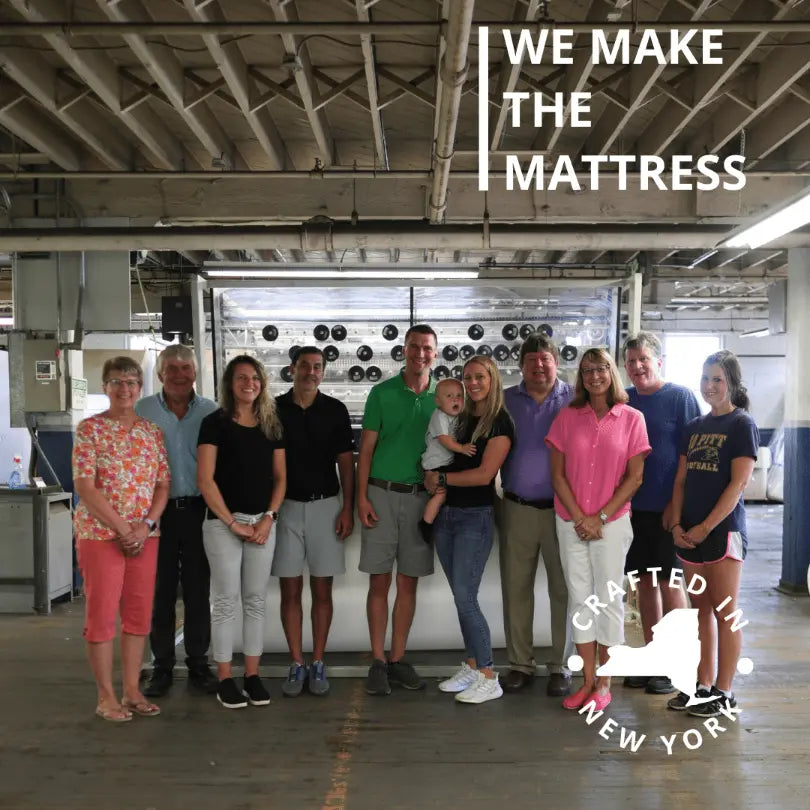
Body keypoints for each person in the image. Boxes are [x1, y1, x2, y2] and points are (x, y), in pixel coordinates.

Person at [546, 348, 650, 712]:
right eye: (587, 370)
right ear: (580, 376)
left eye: (601, 368)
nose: (594, 376)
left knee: (608, 600)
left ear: (612, 372)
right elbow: (557, 476)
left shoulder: (632, 418)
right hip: (570, 521)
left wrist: (600, 518)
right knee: (580, 600)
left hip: (612, 523)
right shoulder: (566, 417)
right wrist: (580, 518)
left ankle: (604, 683)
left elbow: (635, 476)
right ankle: (586, 681)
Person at [72, 356, 169, 722]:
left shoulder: (151, 432)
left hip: (145, 537)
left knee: (138, 616)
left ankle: (131, 691)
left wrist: (145, 525)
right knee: (101, 616)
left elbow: (163, 484)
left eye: (131, 382)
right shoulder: (90, 430)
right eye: (116, 382)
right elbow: (85, 485)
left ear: (140, 388)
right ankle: (105, 696)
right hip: (100, 536)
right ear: (105, 387)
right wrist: (122, 528)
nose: (124, 388)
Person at [667, 350, 758, 718]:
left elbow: (738, 484)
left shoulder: (741, 425)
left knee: (725, 612)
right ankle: (702, 686)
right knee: (700, 611)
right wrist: (676, 524)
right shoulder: (694, 427)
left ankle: (725, 692)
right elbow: (680, 480)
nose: (709, 386)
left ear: (732, 383)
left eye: (717, 379)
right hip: (689, 534)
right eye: (705, 379)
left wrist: (706, 527)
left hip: (723, 534)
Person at [197, 354, 286, 710]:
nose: (249, 383)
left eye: (255, 378)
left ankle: (251, 674)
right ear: (229, 384)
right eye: (241, 378)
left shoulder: (271, 424)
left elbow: (281, 479)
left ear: (262, 383)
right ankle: (225, 678)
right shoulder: (214, 423)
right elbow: (206, 480)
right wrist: (233, 523)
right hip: (223, 524)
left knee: (255, 600)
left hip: (262, 524)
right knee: (225, 602)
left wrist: (268, 518)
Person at [424, 355, 514, 704]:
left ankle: (490, 675)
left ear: (492, 379)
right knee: (462, 599)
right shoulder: (460, 419)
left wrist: (441, 478)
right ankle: (473, 666)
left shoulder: (500, 423)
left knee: (465, 597)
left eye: (480, 377)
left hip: (474, 517)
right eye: (467, 377)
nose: (473, 383)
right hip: (447, 514)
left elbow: (482, 475)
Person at [356, 324, 438, 696]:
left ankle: (397, 659)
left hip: (422, 498)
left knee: (408, 582)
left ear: (435, 353)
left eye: (427, 348)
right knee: (379, 581)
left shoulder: (447, 395)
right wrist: (361, 498)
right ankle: (377, 660)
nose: (420, 353)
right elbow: (366, 452)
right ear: (403, 351)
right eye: (414, 347)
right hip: (382, 494)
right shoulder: (382, 393)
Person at [136, 345, 219, 698]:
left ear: (196, 372)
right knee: (161, 591)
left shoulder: (212, 412)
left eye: (186, 367)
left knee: (199, 590)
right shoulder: (143, 410)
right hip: (158, 514)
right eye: (172, 368)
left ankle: (199, 663)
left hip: (200, 510)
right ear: (160, 373)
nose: (180, 374)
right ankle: (162, 666)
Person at [273, 347, 355, 697]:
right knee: (289, 590)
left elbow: (345, 463)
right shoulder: (273, 408)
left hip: (326, 507)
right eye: (304, 366)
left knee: (323, 590)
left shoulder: (335, 410)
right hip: (286, 508)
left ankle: (318, 661)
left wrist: (348, 507)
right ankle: (296, 662)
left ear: (324, 372)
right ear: (292, 369)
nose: (311, 372)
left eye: (317, 367)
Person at [622, 332, 701, 695]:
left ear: (659, 361)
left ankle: (676, 662)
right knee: (644, 585)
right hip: (633, 509)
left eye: (644, 359)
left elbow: (691, 454)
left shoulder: (680, 397)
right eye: (631, 360)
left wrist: (677, 505)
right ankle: (654, 658)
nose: (637, 366)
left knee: (671, 583)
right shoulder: (625, 399)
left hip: (670, 510)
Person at [498, 332, 574, 697]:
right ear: (521, 365)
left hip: (565, 512)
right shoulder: (506, 400)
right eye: (531, 361)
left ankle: (560, 666)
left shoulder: (576, 399)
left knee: (564, 591)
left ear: (556, 363)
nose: (539, 366)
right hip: (517, 509)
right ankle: (520, 665)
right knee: (517, 589)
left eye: (545, 359)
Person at [419, 377, 476, 540]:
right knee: (440, 494)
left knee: (447, 492)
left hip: (446, 463)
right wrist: (462, 449)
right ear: (438, 401)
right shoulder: (439, 416)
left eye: (459, 395)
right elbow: (444, 439)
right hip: (436, 463)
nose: (455, 399)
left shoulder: (457, 416)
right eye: (449, 396)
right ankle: (426, 523)